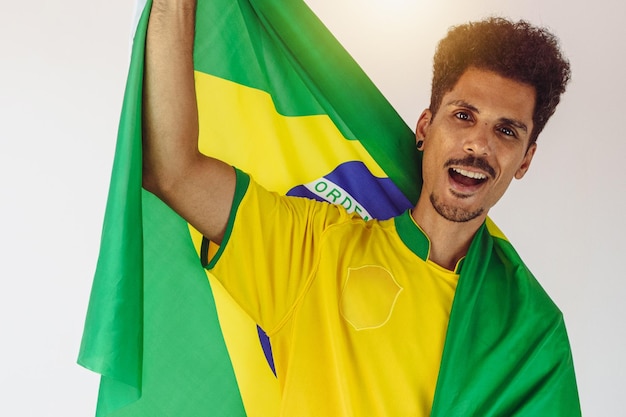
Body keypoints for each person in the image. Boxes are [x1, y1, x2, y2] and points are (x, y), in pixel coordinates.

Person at [142, 0, 579, 415]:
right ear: (425, 127)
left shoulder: (532, 333)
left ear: (525, 159)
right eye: (464, 116)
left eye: (506, 130)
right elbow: (174, 173)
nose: (479, 144)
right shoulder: (317, 248)